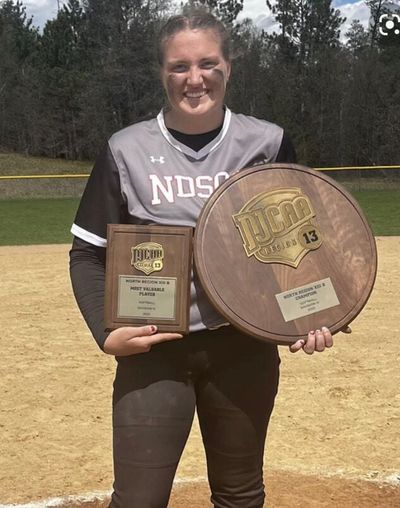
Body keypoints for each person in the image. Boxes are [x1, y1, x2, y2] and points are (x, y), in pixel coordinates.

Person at [69, 7, 337, 507]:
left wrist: (311, 316)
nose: (195, 79)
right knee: (137, 500)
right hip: (154, 351)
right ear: (162, 73)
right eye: (179, 66)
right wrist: (105, 333)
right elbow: (87, 254)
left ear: (228, 67)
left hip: (244, 349)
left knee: (240, 496)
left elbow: (307, 247)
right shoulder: (125, 148)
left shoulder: (268, 142)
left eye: (208, 63)